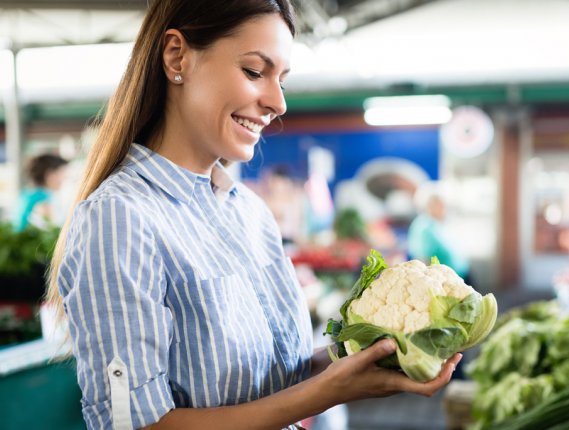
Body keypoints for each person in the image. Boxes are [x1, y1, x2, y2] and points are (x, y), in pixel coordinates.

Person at [44, 2, 461, 430]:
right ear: (176, 57)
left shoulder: (249, 212)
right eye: (254, 72)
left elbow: (277, 379)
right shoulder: (119, 220)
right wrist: (328, 392)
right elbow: (139, 426)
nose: (278, 102)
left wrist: (365, 360)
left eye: (281, 79)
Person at [407, 184, 469, 278]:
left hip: (459, 276)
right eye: (440, 205)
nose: (444, 209)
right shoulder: (424, 227)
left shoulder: (436, 223)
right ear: (430, 206)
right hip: (445, 280)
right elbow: (423, 260)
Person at [14, 153, 68, 231]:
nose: (65, 178)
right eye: (62, 173)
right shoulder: (44, 202)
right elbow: (52, 232)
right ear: (50, 175)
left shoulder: (26, 194)